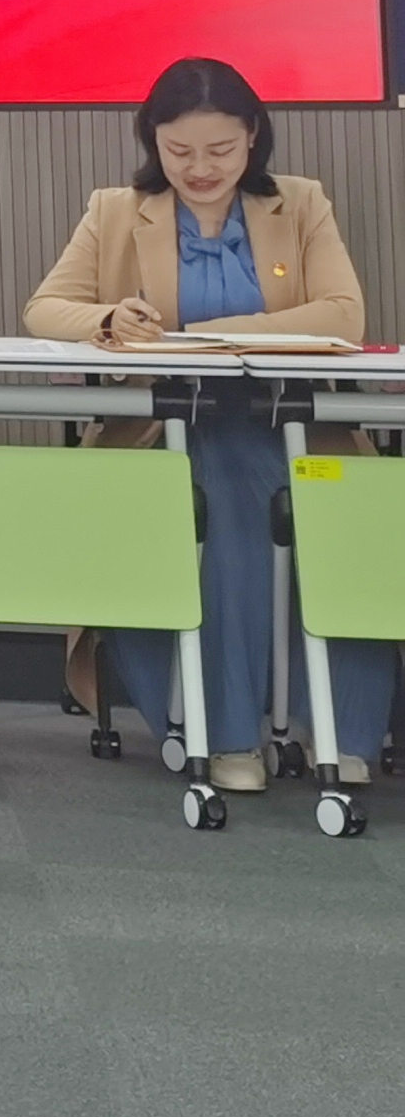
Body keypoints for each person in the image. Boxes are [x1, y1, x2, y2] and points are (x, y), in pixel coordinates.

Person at [26, 55, 388, 796]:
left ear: (252, 136)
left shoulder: (300, 203)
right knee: (219, 495)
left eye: (219, 150)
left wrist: (208, 335)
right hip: (162, 430)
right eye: (179, 151)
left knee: (341, 514)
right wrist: (108, 317)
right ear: (152, 142)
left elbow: (343, 314)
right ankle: (224, 732)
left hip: (292, 421)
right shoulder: (116, 211)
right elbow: (45, 309)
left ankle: (335, 728)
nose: (199, 169)